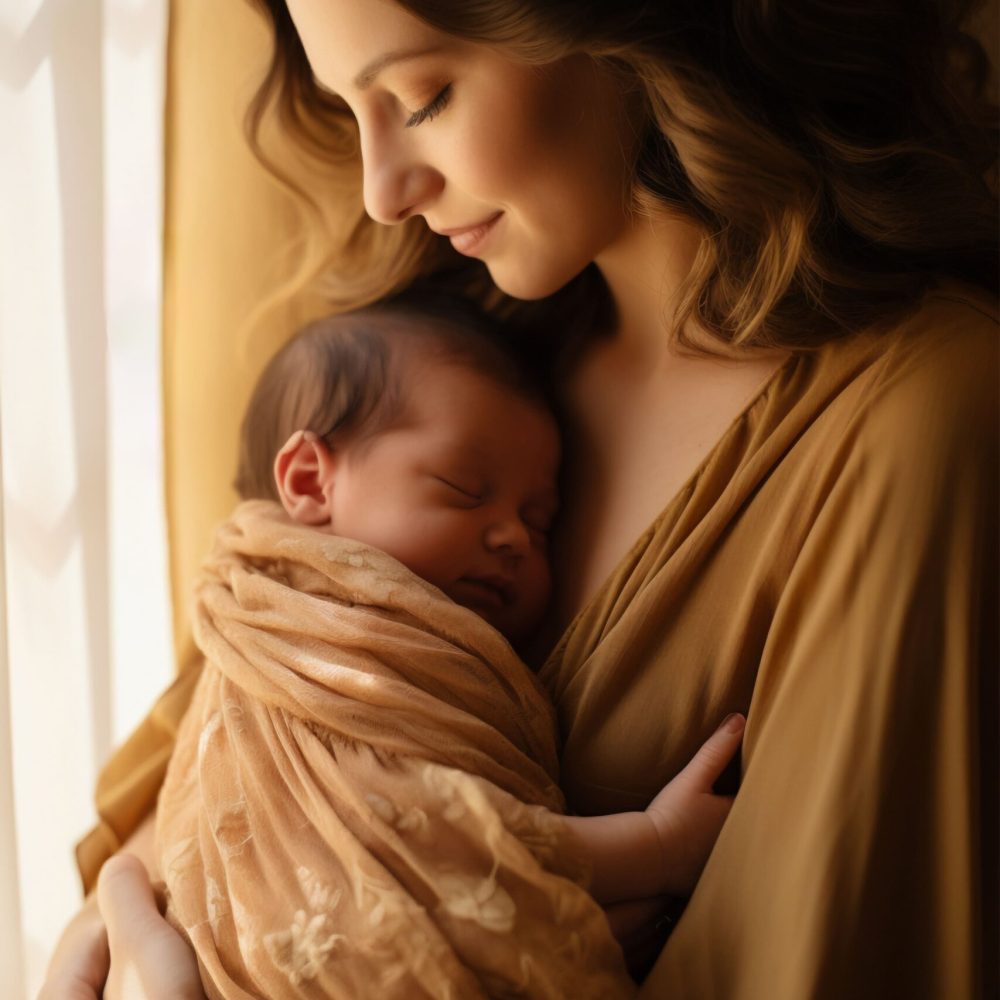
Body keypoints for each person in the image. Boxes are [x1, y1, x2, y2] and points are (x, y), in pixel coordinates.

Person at [41, 0, 998, 997]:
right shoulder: (442, 353)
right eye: (350, 108)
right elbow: (193, 786)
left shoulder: (913, 425)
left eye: (424, 96)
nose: (382, 192)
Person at [156, 295, 743, 997]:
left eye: (541, 519)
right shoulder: (288, 636)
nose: (515, 538)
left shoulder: (401, 645)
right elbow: (429, 825)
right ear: (311, 481)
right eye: (464, 490)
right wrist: (654, 847)